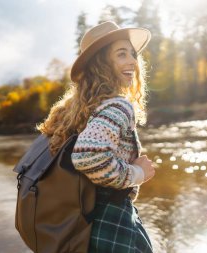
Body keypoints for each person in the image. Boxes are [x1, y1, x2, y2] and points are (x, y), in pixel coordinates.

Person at [37, 21, 155, 253]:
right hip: (111, 224)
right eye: (121, 54)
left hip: (78, 226)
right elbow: (88, 157)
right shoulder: (117, 106)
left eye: (132, 53)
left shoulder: (72, 110)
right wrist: (138, 174)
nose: (133, 61)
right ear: (101, 64)